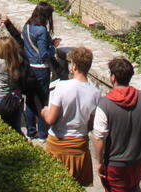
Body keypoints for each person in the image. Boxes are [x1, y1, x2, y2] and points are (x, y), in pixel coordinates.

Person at [93, 56, 141, 192]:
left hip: (116, 166)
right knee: (134, 187)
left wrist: (99, 162)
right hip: (139, 162)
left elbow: (100, 137)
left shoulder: (104, 104)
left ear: (113, 78)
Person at [41, 46, 103, 186]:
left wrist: (44, 111)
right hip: (79, 145)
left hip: (58, 144)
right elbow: (91, 124)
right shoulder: (96, 93)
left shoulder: (62, 87)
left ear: (74, 66)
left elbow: (51, 119)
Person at [21, 1, 61, 140]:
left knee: (30, 101)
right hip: (40, 69)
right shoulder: (42, 30)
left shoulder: (26, 26)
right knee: (43, 102)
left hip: (28, 68)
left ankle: (31, 132)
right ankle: (43, 134)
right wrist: (54, 47)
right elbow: (43, 54)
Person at [0, 35, 28, 134]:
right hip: (16, 97)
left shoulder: (0, 63)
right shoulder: (19, 60)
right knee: (15, 126)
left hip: (1, 97)